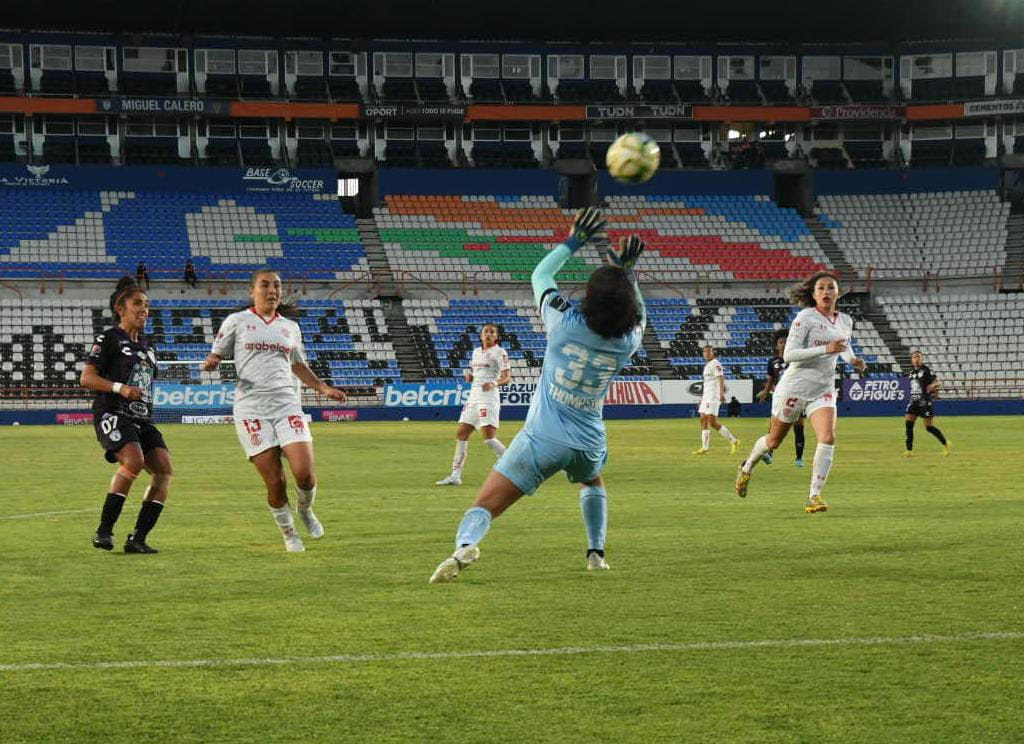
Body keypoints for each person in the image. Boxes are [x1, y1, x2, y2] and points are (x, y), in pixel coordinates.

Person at [429, 208, 645, 582]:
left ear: (589, 298)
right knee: (593, 481)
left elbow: (541, 275)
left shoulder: (564, 323)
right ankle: (596, 552)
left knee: (484, 505)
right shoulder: (628, 341)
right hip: (589, 441)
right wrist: (628, 273)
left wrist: (574, 239)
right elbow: (638, 313)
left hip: (543, 438)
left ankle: (465, 545)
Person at [201, 270, 348, 552]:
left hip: (287, 405)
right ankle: (289, 533)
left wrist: (323, 388)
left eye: (277, 285)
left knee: (305, 474)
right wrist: (212, 361)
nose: (272, 290)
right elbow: (216, 353)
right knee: (276, 482)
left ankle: (305, 510)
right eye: (265, 285)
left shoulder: (290, 327)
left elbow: (298, 365)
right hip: (252, 410)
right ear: (252, 291)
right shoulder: (237, 321)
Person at [735, 271, 866, 513]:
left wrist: (853, 360)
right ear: (813, 294)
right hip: (794, 388)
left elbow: (843, 347)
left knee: (828, 437)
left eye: (831, 288)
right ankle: (747, 467)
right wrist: (826, 348)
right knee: (774, 441)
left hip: (823, 389)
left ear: (838, 292)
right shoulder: (805, 318)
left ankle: (814, 496)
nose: (826, 292)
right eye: (821, 288)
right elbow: (789, 355)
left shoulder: (845, 321)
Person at [81, 276, 171, 553]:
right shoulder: (108, 339)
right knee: (134, 460)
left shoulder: (148, 345)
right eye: (137, 303)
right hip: (112, 412)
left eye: (146, 304)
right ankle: (104, 531)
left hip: (142, 419)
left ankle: (138, 539)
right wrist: (120, 388)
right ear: (121, 308)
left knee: (164, 471)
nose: (144, 309)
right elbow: (87, 378)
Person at [436, 323, 511, 486]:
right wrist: (471, 378)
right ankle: (455, 476)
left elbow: (507, 378)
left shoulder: (500, 353)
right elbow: (477, 374)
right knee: (462, 434)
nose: (488, 334)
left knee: (489, 439)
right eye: (486, 332)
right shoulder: (476, 352)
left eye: (492, 332)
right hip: (474, 397)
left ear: (496, 336)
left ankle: (513, 465)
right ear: (481, 335)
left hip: (488, 397)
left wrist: (493, 383)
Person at [755, 328, 806, 467]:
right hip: (780, 397)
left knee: (799, 426)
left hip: (797, 396)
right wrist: (765, 392)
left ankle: (799, 458)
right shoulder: (772, 361)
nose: (783, 344)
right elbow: (771, 379)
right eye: (780, 342)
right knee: (774, 426)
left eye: (785, 342)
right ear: (777, 345)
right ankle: (769, 453)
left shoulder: (797, 358)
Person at [692, 345, 739, 455]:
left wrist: (721, 393)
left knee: (712, 422)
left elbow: (721, 378)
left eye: (708, 352)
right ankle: (705, 448)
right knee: (703, 419)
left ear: (713, 353)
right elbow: (708, 383)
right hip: (706, 396)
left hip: (713, 396)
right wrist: (702, 398)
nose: (706, 354)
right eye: (704, 352)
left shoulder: (716, 364)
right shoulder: (707, 365)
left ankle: (734, 441)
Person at [903, 350, 950, 457]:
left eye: (919, 357)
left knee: (928, 427)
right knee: (908, 426)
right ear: (912, 360)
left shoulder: (927, 370)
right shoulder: (911, 373)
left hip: (924, 402)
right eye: (914, 357)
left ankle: (945, 444)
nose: (917, 359)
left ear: (922, 359)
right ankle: (909, 451)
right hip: (913, 402)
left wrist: (933, 386)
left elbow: (938, 382)